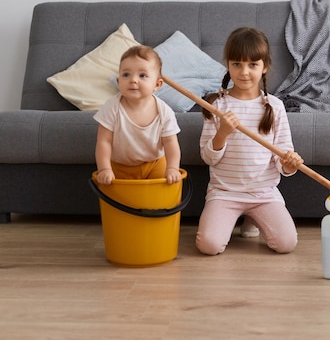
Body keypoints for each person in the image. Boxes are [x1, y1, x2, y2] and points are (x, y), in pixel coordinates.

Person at [196, 27, 304, 255]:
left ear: (265, 67)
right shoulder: (217, 106)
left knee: (287, 244)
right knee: (208, 246)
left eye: (252, 65)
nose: (244, 72)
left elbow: (282, 156)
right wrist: (222, 133)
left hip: (263, 194)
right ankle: (237, 216)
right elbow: (208, 157)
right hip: (224, 193)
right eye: (237, 64)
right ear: (228, 65)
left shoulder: (274, 106)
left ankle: (253, 218)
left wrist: (288, 164)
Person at [94, 45, 182, 185]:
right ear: (118, 81)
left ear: (157, 84)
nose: (133, 80)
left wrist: (172, 168)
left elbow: (170, 142)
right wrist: (104, 169)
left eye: (142, 75)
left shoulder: (164, 111)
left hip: (155, 163)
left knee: (164, 195)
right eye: (126, 74)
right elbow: (104, 141)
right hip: (119, 166)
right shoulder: (112, 108)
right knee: (120, 200)